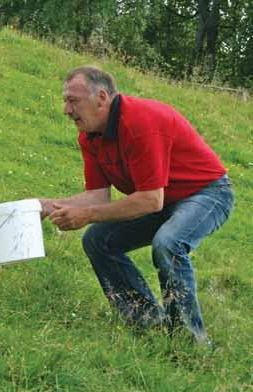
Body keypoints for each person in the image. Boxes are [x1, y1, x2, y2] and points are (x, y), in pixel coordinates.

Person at [40, 65, 234, 344]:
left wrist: (87, 214)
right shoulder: (90, 135)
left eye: (73, 101)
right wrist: (45, 206)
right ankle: (146, 322)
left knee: (169, 243)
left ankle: (189, 342)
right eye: (65, 100)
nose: (66, 110)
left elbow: (149, 200)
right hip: (162, 199)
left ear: (102, 98)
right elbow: (97, 195)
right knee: (97, 239)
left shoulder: (141, 123)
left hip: (207, 193)